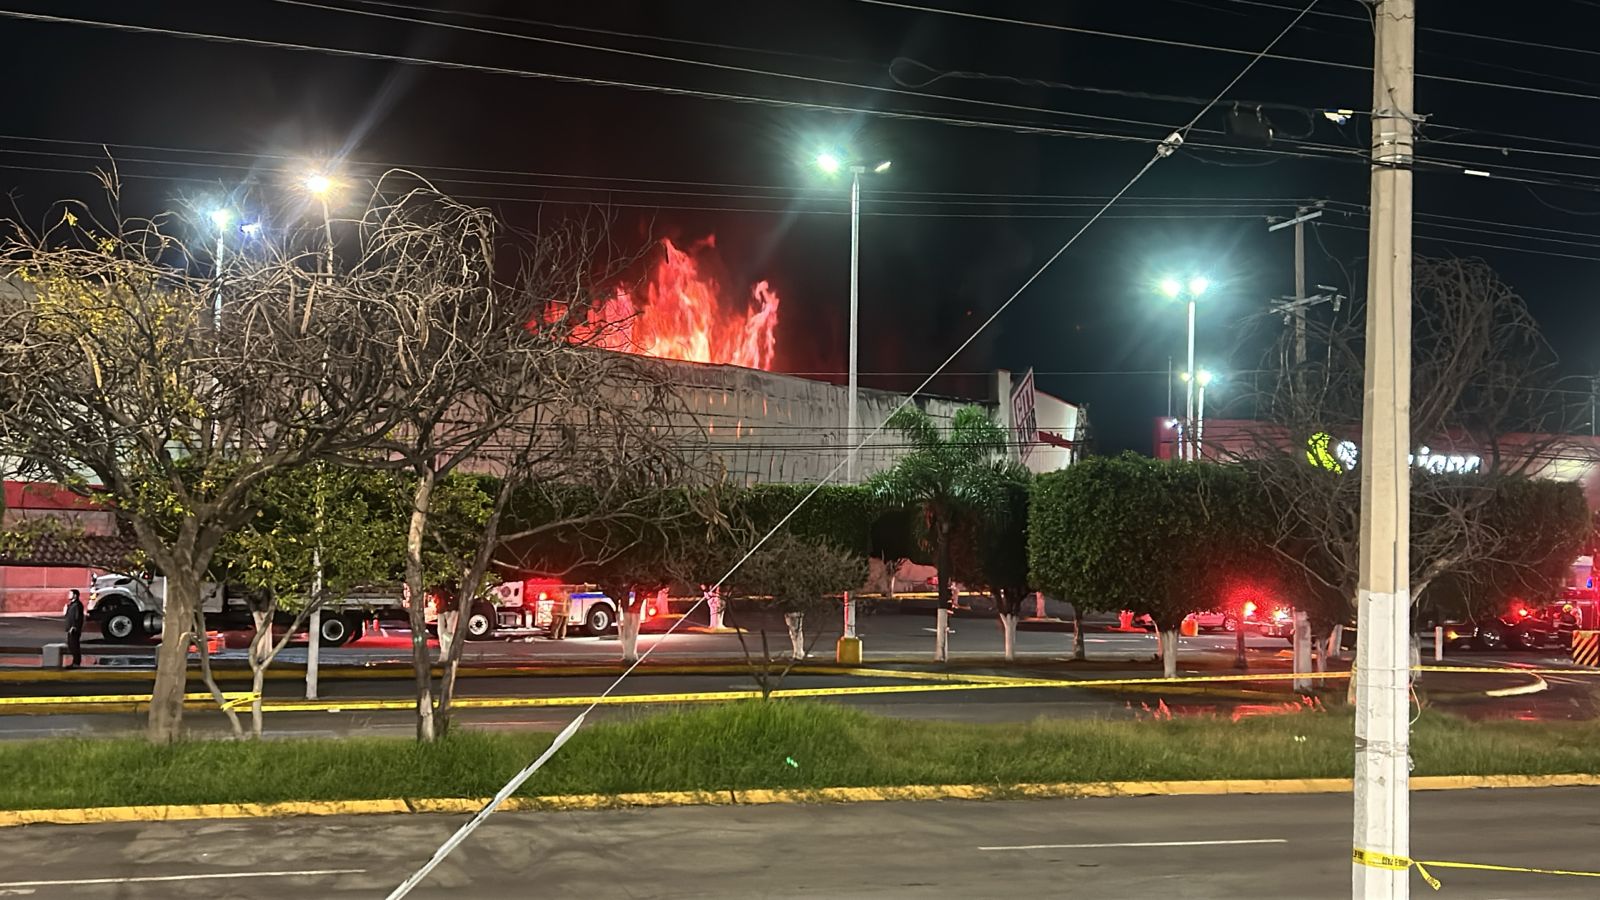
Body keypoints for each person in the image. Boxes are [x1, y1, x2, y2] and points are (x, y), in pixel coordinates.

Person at [63, 589, 85, 668]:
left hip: (74, 629)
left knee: (74, 646)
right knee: (71, 645)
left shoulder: (77, 605)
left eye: (70, 594)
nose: (69, 595)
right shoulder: (71, 605)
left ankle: (76, 663)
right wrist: (66, 610)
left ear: (75, 595)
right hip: (70, 629)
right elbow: (68, 616)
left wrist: (74, 626)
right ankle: (75, 662)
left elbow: (78, 617)